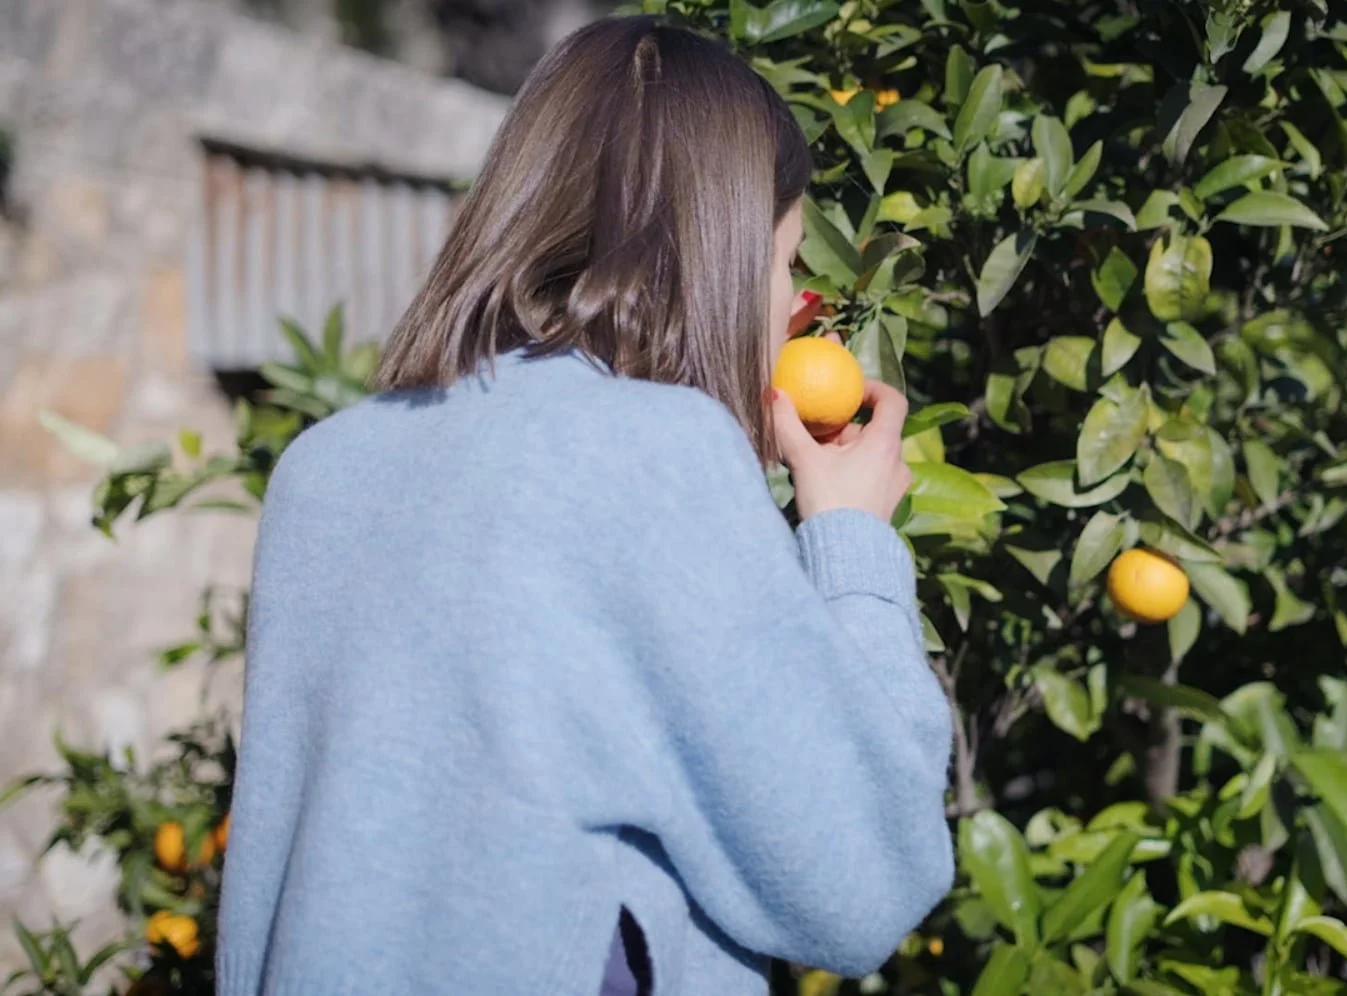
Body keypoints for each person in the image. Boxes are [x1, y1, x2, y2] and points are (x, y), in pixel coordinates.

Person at [216, 16, 955, 995]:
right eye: (783, 262)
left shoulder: (325, 467)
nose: (790, 307)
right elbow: (866, 879)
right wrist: (850, 541)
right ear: (722, 252)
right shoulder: (654, 453)